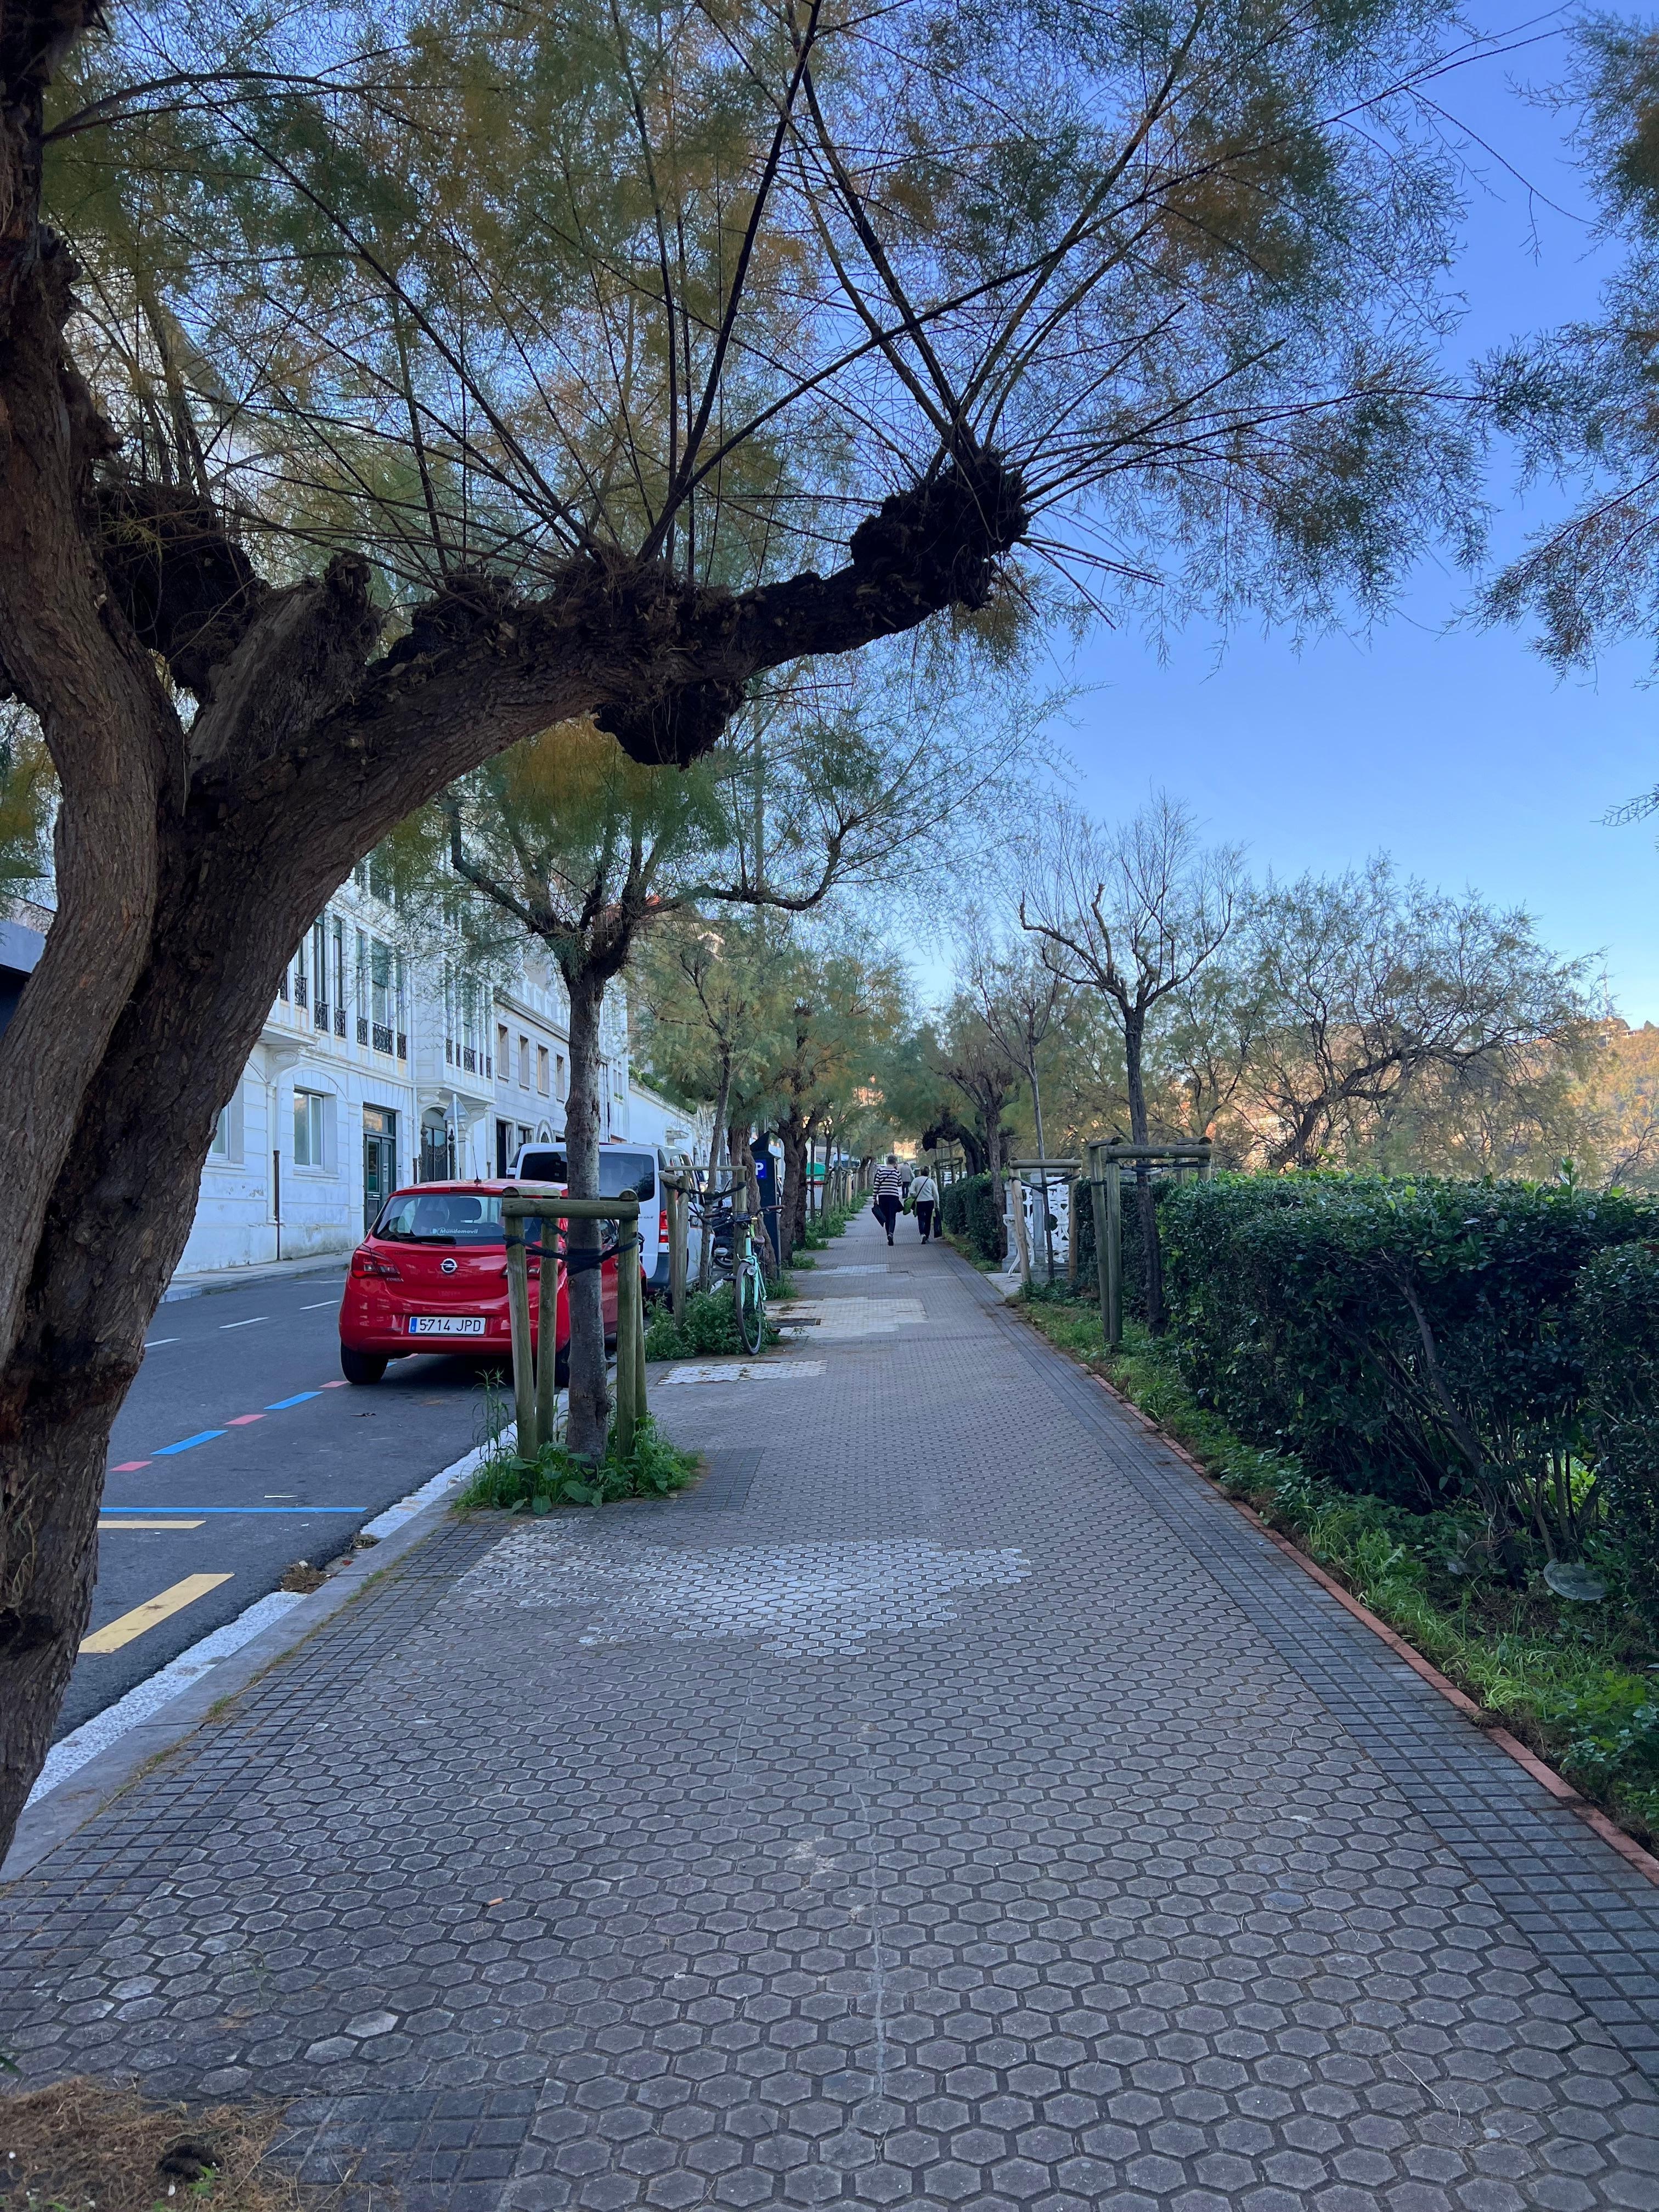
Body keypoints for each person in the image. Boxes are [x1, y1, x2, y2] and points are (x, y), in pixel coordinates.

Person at [871, 1154, 905, 1243]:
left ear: (887, 1162)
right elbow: (900, 1184)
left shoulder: (880, 1172)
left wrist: (874, 1198)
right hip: (893, 1197)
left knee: (886, 1217)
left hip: (883, 1197)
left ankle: (888, 1237)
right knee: (892, 1217)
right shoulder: (896, 1172)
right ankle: (891, 1233)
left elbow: (876, 1186)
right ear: (895, 1163)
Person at [911, 1167, 939, 1242]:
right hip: (930, 1202)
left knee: (921, 1219)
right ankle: (927, 1236)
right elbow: (936, 1194)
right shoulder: (931, 1181)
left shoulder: (916, 1180)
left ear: (920, 1172)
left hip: (920, 1202)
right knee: (928, 1220)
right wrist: (937, 1205)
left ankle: (922, 1234)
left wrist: (915, 1196)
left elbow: (911, 1192)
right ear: (928, 1173)